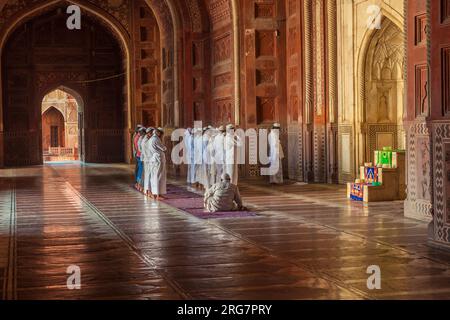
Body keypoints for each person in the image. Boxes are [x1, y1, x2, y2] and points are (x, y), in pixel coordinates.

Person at [149, 127, 167, 200]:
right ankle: (157, 194)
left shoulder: (151, 139)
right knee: (158, 176)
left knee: (155, 176)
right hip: (158, 159)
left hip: (154, 159)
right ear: (159, 133)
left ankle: (156, 193)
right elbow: (163, 148)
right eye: (161, 134)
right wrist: (165, 147)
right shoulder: (156, 139)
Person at [141, 127, 155, 197]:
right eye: (152, 133)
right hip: (148, 160)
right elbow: (149, 151)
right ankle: (149, 191)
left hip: (146, 159)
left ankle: (146, 190)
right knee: (149, 176)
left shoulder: (145, 139)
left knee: (147, 175)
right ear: (149, 133)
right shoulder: (146, 141)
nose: (153, 134)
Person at [135, 127, 147, 191]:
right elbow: (140, 149)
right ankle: (140, 185)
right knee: (141, 171)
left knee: (140, 171)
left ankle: (139, 184)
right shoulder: (141, 139)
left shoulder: (140, 138)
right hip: (141, 156)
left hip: (140, 155)